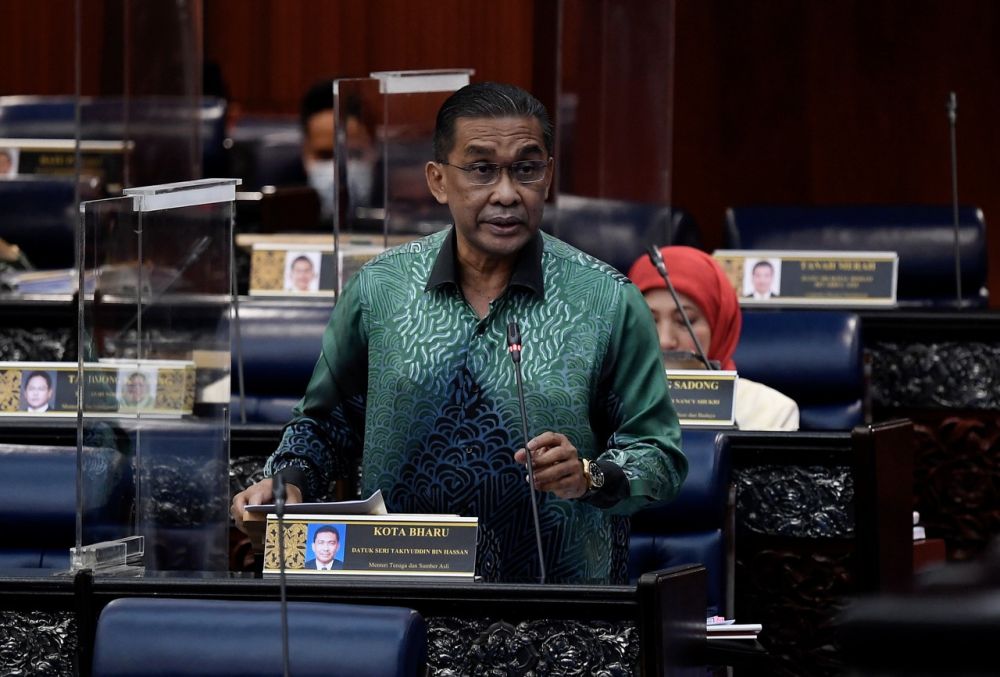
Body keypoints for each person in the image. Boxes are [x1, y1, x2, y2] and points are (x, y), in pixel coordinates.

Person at [232, 82, 686, 584]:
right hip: (400, 596)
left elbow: (658, 454)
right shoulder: (379, 292)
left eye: (526, 168)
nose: (507, 193)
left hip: (557, 612)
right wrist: (286, 482)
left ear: (549, 176)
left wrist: (590, 475)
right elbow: (322, 425)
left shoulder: (607, 301)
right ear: (438, 180)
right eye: (482, 169)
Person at [627, 246, 799, 431]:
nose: (665, 340)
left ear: (719, 326)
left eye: (685, 321)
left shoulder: (768, 412)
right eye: (649, 321)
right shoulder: (599, 406)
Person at [299, 80, 381, 220]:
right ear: (304, 153)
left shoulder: (402, 207)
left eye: (354, 154)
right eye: (325, 155)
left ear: (374, 149)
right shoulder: (275, 212)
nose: (339, 175)